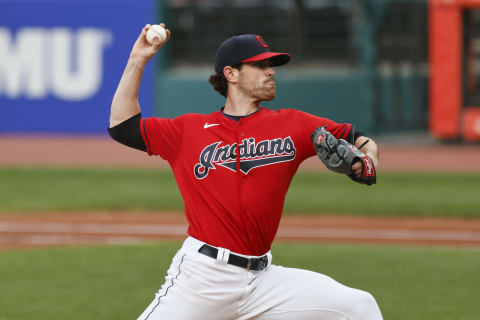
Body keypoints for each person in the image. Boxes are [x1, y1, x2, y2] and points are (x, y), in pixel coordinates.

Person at [109, 23, 383, 320]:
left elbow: (360, 139)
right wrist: (138, 60)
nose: (271, 71)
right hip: (203, 281)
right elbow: (122, 126)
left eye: (271, 64)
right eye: (260, 64)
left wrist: (364, 162)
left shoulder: (294, 125)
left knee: (360, 307)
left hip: (263, 282)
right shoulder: (188, 130)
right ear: (231, 74)